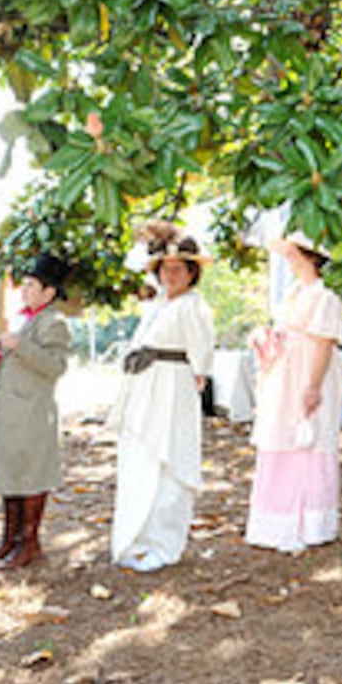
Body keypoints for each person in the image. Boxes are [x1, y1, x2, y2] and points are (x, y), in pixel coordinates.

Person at [110, 224, 216, 571]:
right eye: (165, 269)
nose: (171, 275)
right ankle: (137, 536)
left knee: (169, 460)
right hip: (146, 387)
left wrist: (194, 383)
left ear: (191, 273)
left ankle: (164, 542)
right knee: (141, 458)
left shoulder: (193, 306)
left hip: (173, 387)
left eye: (178, 269)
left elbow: (201, 357)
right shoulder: (156, 305)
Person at [247, 231, 342, 552]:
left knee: (307, 439)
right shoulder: (294, 291)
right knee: (281, 437)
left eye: (292, 253)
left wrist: (313, 386)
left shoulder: (325, 294)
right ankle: (277, 520)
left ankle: (308, 522)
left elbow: (323, 342)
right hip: (284, 373)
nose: (288, 258)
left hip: (306, 372)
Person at [0, 252, 72, 568]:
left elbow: (55, 366)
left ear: (49, 292)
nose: (25, 290)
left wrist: (20, 346)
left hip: (32, 410)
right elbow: (17, 362)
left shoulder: (54, 323)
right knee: (9, 474)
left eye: (32, 285)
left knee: (31, 475)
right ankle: (10, 540)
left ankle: (30, 542)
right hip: (9, 408)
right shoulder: (24, 318)